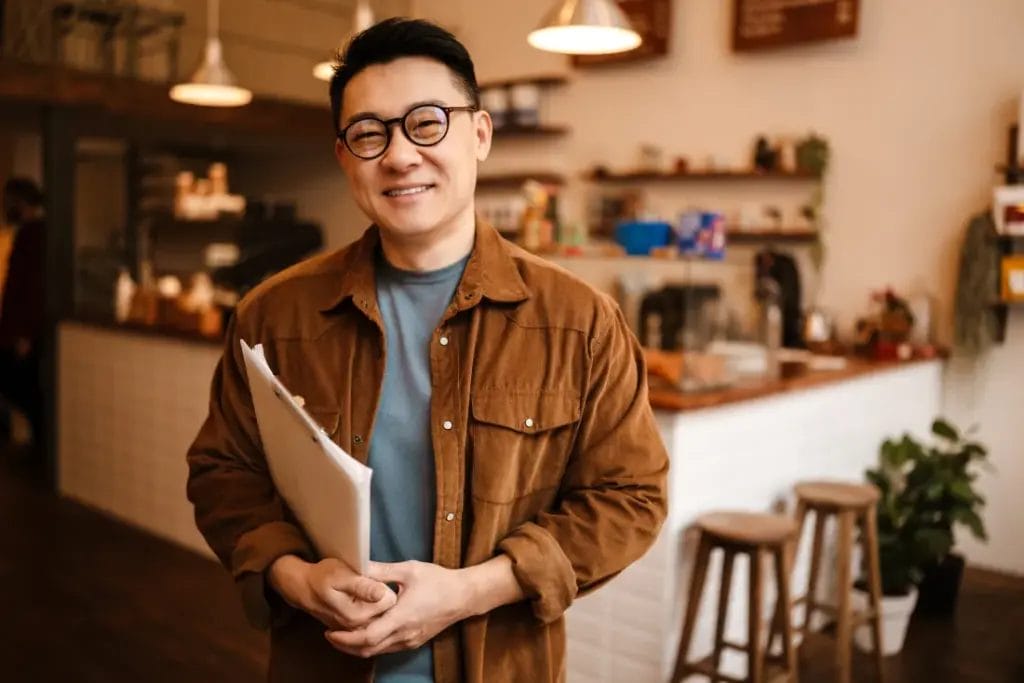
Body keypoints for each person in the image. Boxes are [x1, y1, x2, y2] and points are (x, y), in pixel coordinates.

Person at [186, 18, 668, 683]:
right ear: (344, 156)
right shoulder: (275, 313)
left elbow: (632, 496)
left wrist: (472, 590)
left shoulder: (579, 321)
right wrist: (294, 575)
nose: (399, 155)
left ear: (480, 134)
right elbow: (222, 471)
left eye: (427, 122)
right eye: (369, 133)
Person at [0, 178, 46, 454]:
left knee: (21, 385)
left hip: (22, 330)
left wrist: (25, 333)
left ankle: (36, 444)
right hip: (20, 328)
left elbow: (30, 288)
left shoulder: (33, 235)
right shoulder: (31, 233)